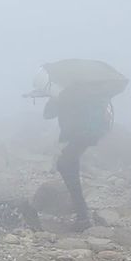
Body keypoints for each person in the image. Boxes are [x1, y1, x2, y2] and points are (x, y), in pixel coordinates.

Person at [43, 71, 115, 231]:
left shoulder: (67, 93)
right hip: (89, 135)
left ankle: (82, 215)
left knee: (65, 164)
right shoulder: (91, 92)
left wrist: (52, 96)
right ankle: (81, 212)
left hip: (79, 135)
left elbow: (48, 114)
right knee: (67, 163)